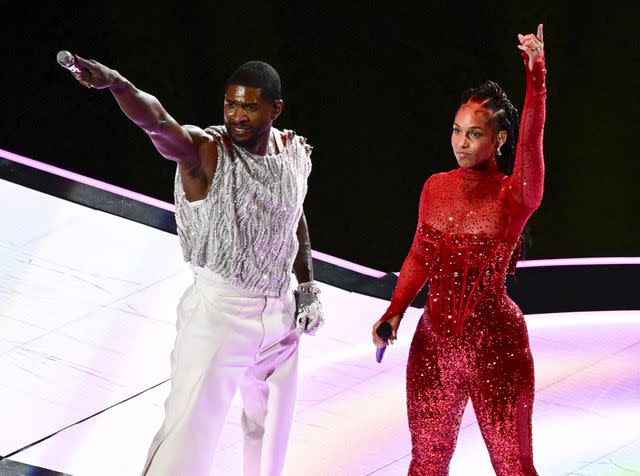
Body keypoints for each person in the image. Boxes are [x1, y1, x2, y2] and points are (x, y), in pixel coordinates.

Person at [63, 56, 324, 475]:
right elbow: (159, 124)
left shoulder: (293, 150)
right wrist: (117, 84)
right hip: (221, 313)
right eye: (230, 105)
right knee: (188, 436)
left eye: (249, 107)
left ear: (275, 109)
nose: (236, 116)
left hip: (280, 314)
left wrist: (307, 287)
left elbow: (293, 212)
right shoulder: (204, 153)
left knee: (271, 435)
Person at [372, 24, 546, 475]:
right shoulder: (435, 187)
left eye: (474, 133)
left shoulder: (515, 197)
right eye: (456, 130)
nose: (461, 142)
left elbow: (531, 146)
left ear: (498, 140)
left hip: (498, 348)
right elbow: (419, 255)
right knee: (426, 464)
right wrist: (395, 310)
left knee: (514, 466)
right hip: (433, 344)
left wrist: (536, 80)